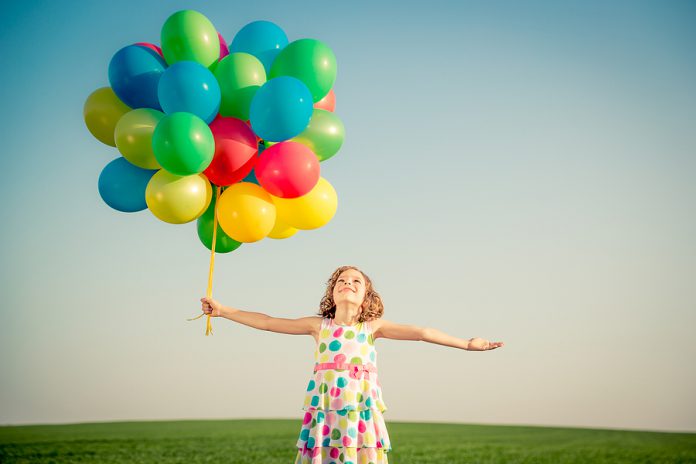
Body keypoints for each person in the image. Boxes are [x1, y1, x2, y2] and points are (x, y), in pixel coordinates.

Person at [200, 265, 504, 463]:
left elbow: (423, 333)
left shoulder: (372, 328)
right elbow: (267, 322)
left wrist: (466, 344)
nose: (347, 282)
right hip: (327, 416)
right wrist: (223, 311)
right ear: (332, 293)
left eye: (356, 280)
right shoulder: (319, 326)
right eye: (341, 280)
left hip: (360, 417)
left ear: (367, 295)